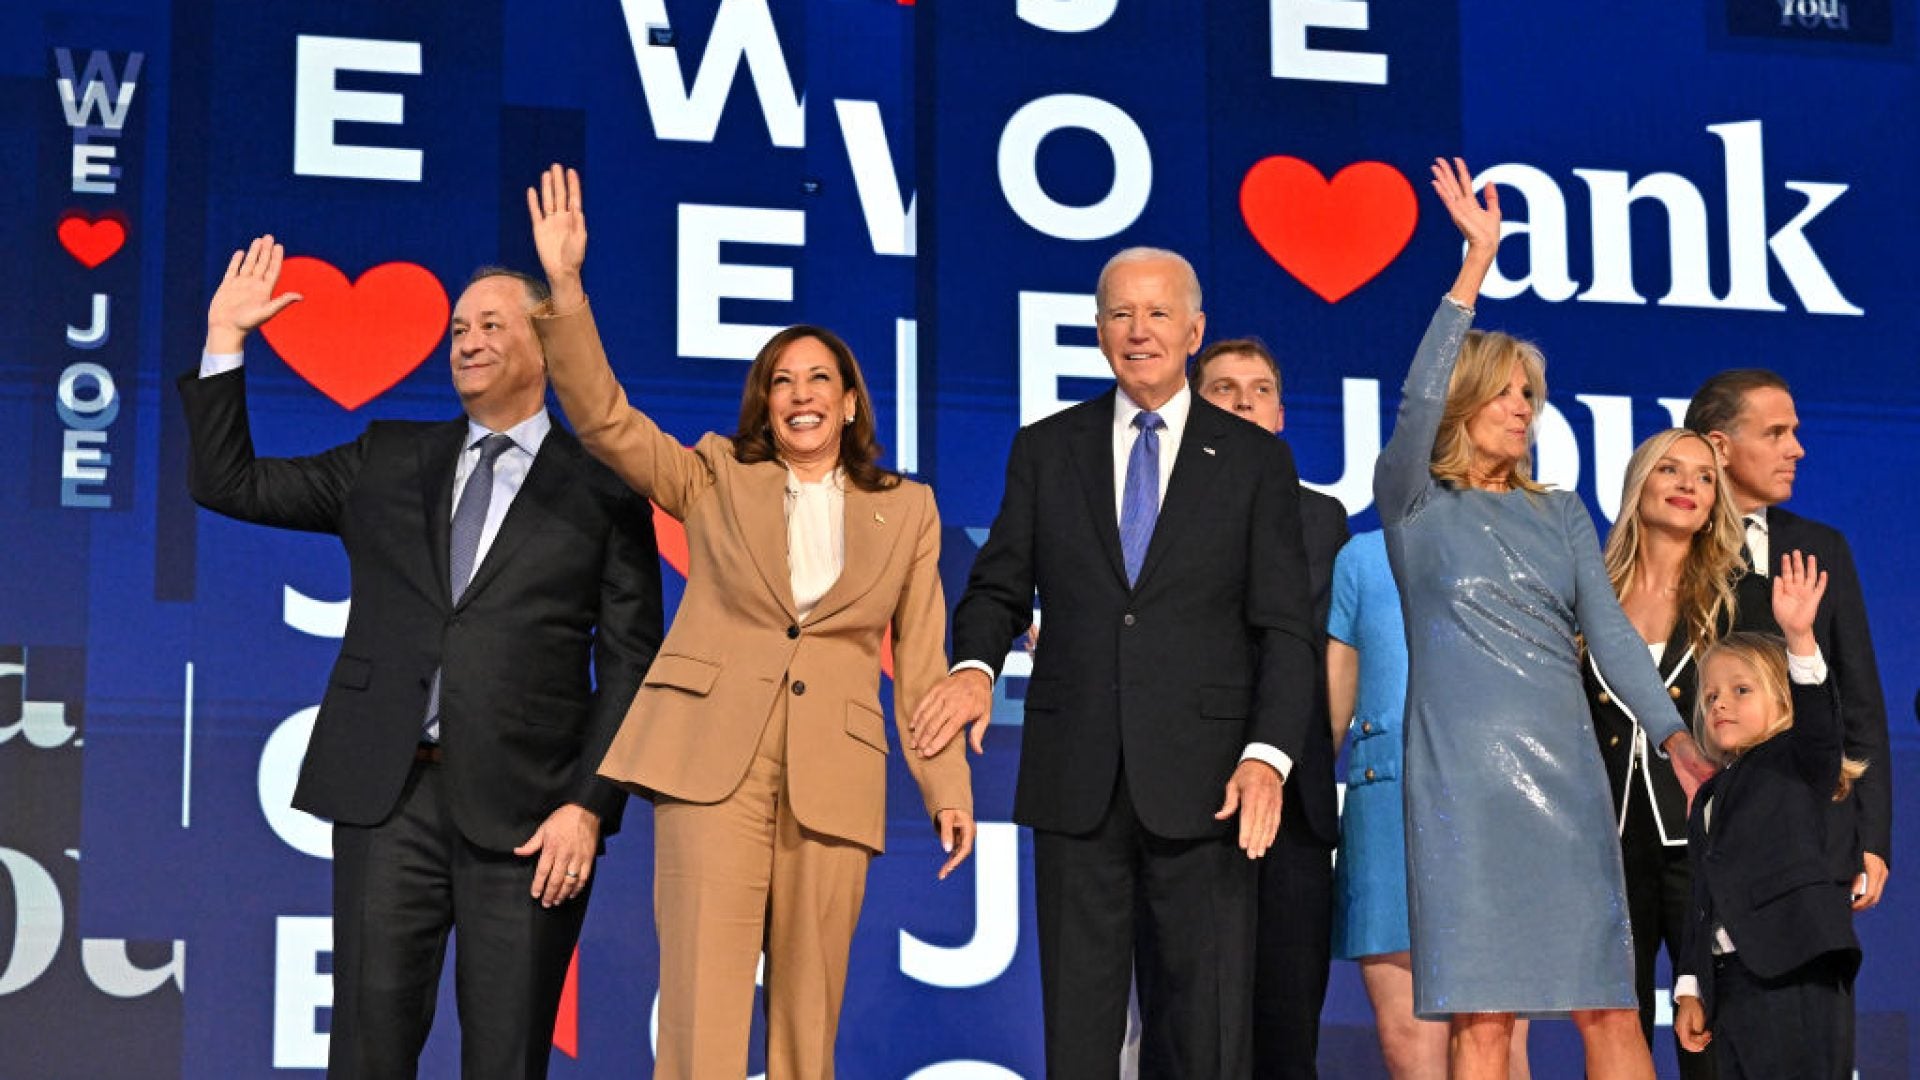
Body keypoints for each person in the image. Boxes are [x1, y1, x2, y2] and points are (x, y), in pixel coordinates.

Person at [522, 165, 975, 1079]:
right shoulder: (716, 472)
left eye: (820, 378)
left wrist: (946, 791)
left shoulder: (911, 510)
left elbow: (924, 666)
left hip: (834, 775)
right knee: (700, 1011)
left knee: (810, 1030)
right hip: (711, 766)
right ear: (765, 402)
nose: (800, 392)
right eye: (781, 380)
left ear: (851, 401)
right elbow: (606, 421)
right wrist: (565, 290)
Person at [179, 237, 663, 1077]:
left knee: (507, 1058)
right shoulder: (388, 457)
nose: (466, 341)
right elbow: (231, 483)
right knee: (367, 1054)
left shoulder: (604, 487)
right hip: (387, 799)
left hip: (531, 822)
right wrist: (226, 338)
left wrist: (589, 807)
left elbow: (632, 663)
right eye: (455, 329)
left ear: (545, 345)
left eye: (488, 325)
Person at [914, 246, 1320, 1077]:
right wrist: (974, 668)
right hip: (1077, 779)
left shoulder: (1253, 461)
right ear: (1099, 331)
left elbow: (1284, 628)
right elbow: (998, 587)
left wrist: (1266, 757)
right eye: (1121, 314)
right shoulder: (1045, 447)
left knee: (1202, 1037)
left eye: (1158, 313)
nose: (1140, 332)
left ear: (1194, 330)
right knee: (1079, 1035)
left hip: (1209, 785)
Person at [1376, 159, 1714, 1080]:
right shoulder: (1412, 504)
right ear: (1465, 403)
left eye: (1532, 394)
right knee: (1483, 1021)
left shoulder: (1559, 512)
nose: (1524, 407)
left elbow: (1607, 637)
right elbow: (1411, 408)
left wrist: (1675, 736)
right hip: (1460, 795)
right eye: (1506, 392)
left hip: (1567, 785)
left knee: (1607, 1005)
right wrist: (1471, 270)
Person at [1190, 338, 1347, 1079]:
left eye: (1258, 390)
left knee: (1288, 1033)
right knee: (1192, 1027)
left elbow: (1326, 658)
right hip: (1185, 798)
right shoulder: (1156, 511)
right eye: (1223, 389)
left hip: (1295, 804)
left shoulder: (1323, 519)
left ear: (1281, 414)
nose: (1244, 401)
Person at [1586, 428, 1762, 1079]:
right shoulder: (1589, 597)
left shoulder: (1740, 598)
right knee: (1613, 1027)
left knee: (1707, 1030)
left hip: (1705, 841)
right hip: (1605, 843)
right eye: (1670, 469)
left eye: (1705, 475)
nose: (1688, 484)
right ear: (1638, 485)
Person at [1326, 530, 1532, 1080]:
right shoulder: (1364, 559)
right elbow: (1331, 709)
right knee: (1406, 1041)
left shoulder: (1519, 545)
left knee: (1495, 1041)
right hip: (1387, 807)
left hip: (1493, 806)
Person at [1684, 371, 1891, 913]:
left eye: (1793, 432)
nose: (1796, 449)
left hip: (1811, 837)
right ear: (1720, 447)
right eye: (1775, 433)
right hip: (1699, 829)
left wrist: (1871, 837)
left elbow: (1859, 701)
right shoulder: (1670, 547)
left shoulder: (1821, 546)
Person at [1673, 554, 1864, 1079]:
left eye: (1740, 690)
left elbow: (1820, 725)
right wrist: (1691, 987)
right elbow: (1700, 901)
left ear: (1782, 697)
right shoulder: (1707, 801)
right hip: (1731, 986)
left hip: (1796, 968)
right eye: (1710, 696)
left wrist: (1800, 639)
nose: (1719, 704)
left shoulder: (1797, 759)